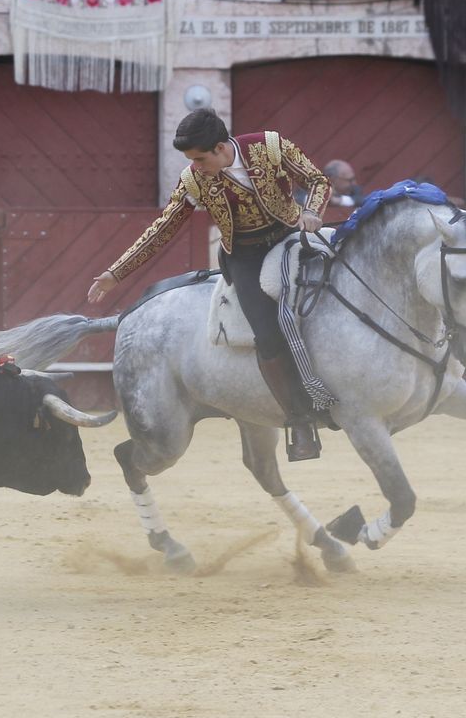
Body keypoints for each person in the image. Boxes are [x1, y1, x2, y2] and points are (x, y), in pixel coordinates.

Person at [86, 109, 330, 462]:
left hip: (292, 236)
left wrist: (312, 211)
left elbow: (318, 180)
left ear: (220, 147)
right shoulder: (194, 181)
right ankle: (300, 419)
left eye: (200, 158)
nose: (195, 166)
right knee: (267, 332)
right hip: (246, 256)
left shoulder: (271, 146)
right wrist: (116, 273)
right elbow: (164, 227)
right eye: (191, 160)